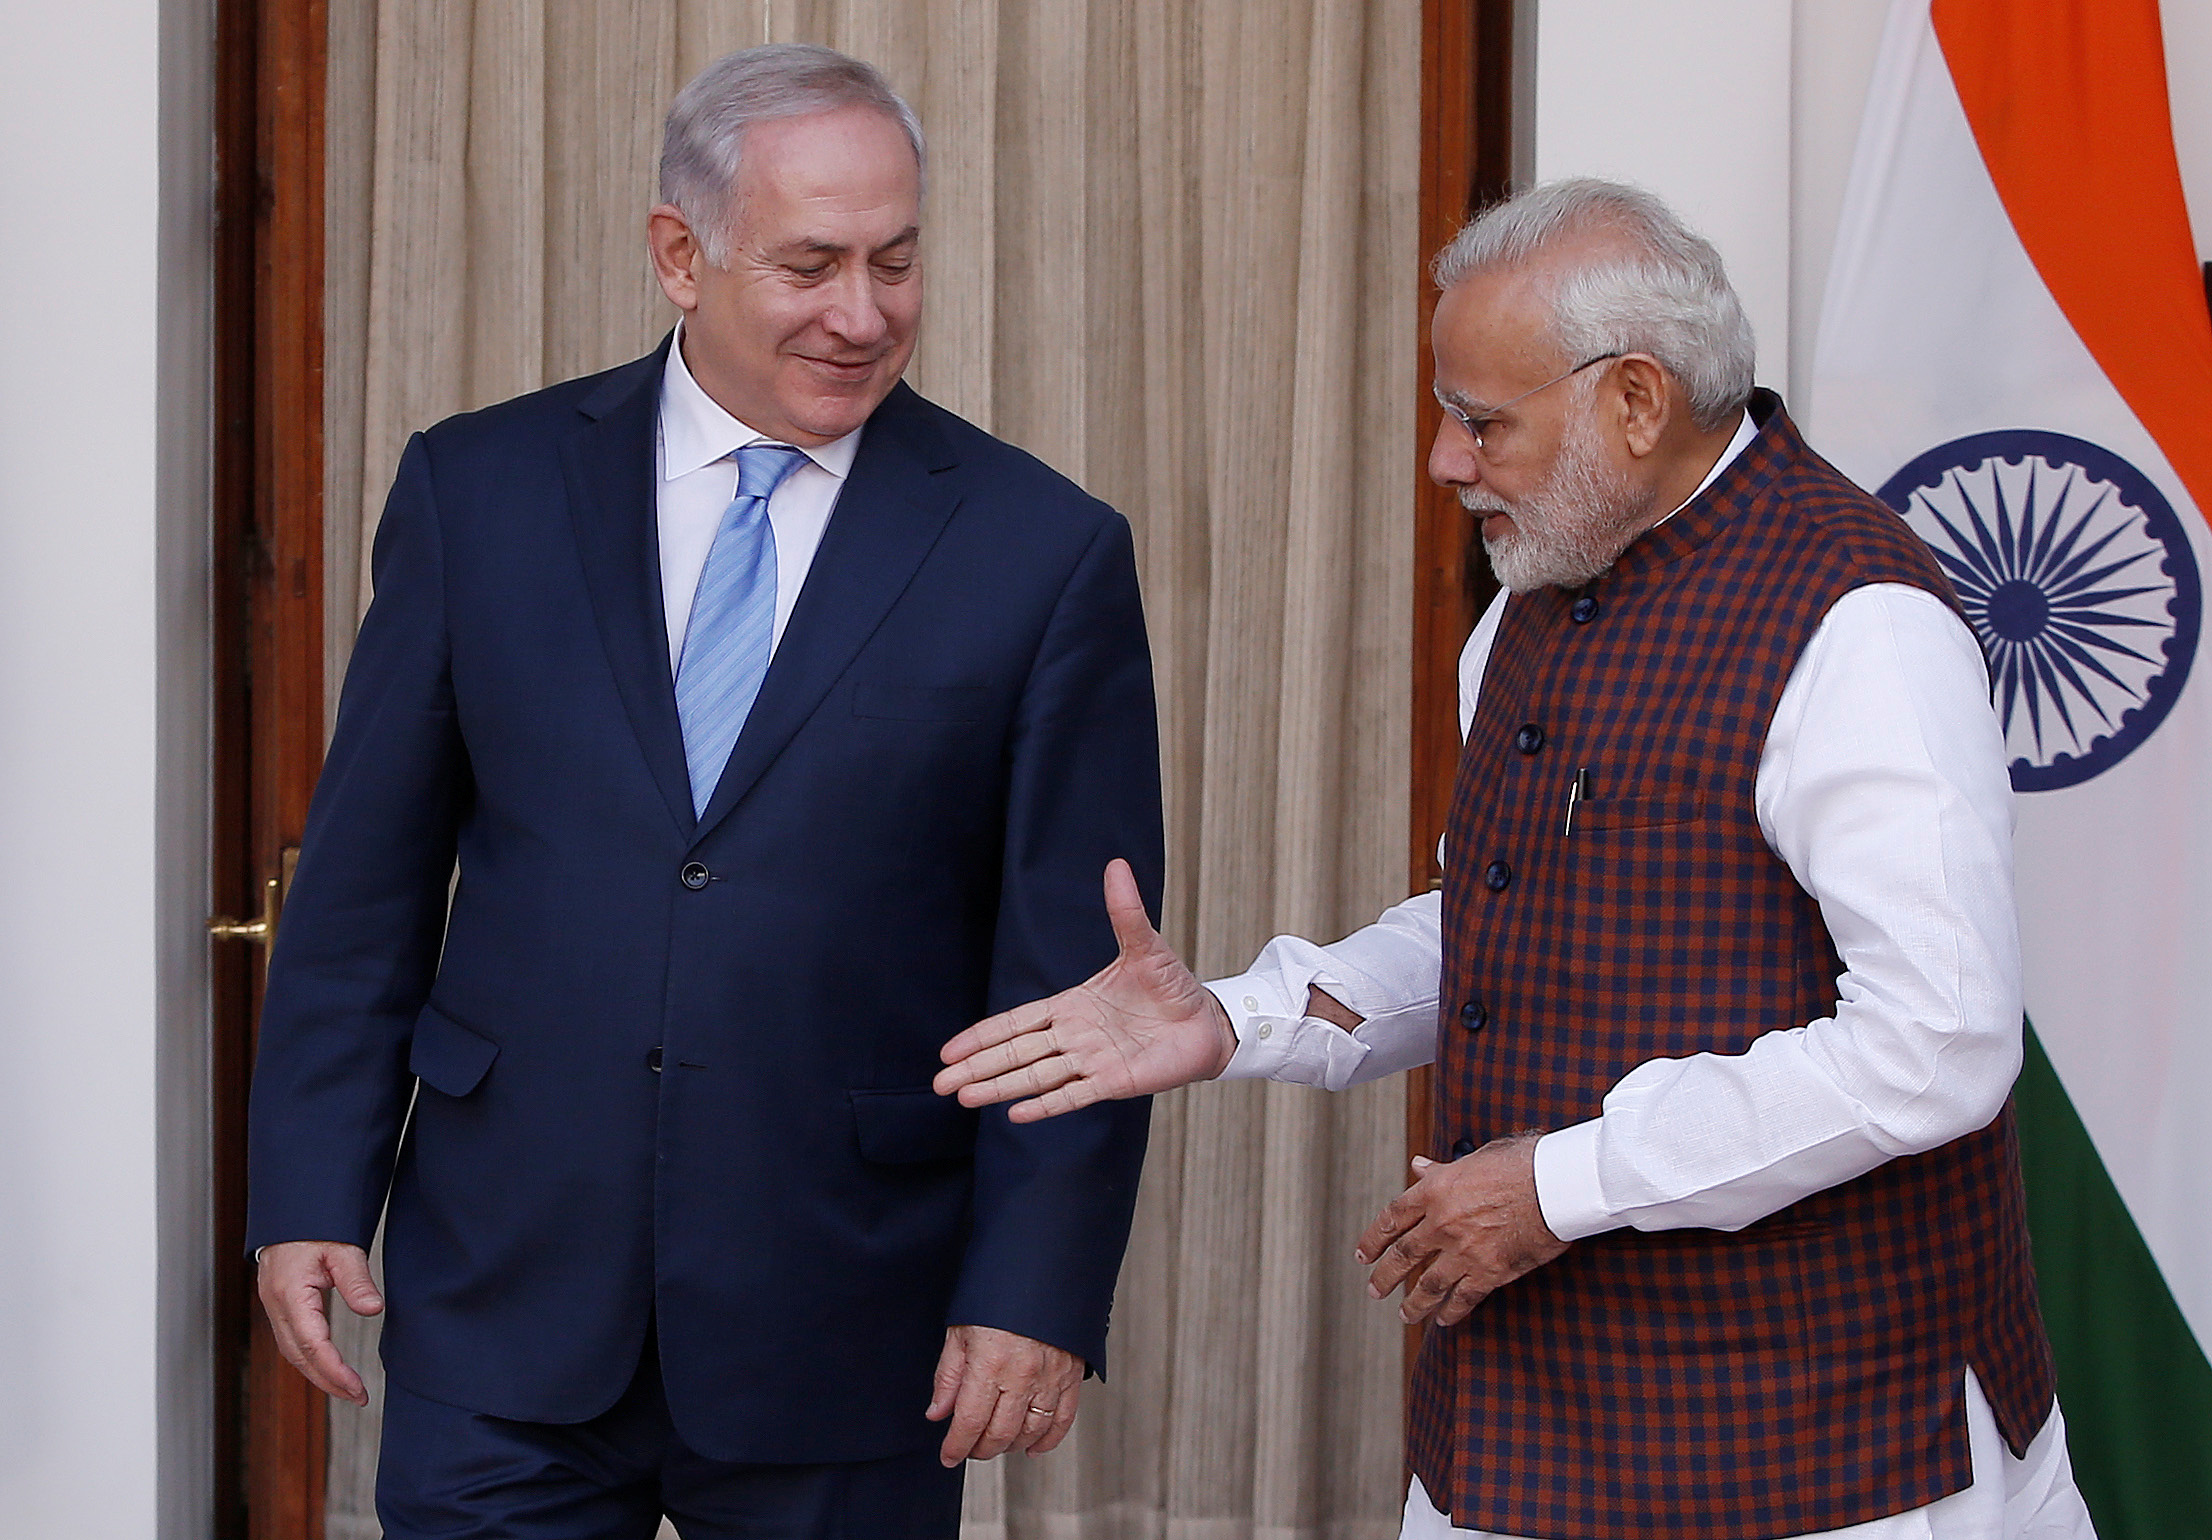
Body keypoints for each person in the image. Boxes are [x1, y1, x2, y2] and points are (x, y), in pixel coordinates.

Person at [937, 179, 2098, 1540]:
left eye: (1481, 420)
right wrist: (1239, 1018)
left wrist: (1555, 1187)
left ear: (1637, 401)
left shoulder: (1863, 626)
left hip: (1827, 1452)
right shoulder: (1528, 601)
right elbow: (1507, 921)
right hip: (1518, 1429)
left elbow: (1939, 1045)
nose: (1444, 459)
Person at [246, 44, 1161, 1540]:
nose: (862, 314)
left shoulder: (1041, 552)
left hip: (848, 1318)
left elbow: (1079, 980)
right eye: (810, 265)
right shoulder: (479, 492)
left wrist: (1033, 1290)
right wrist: (307, 1188)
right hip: (508, 1294)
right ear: (680, 254)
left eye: (895, 263)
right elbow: (366, 890)